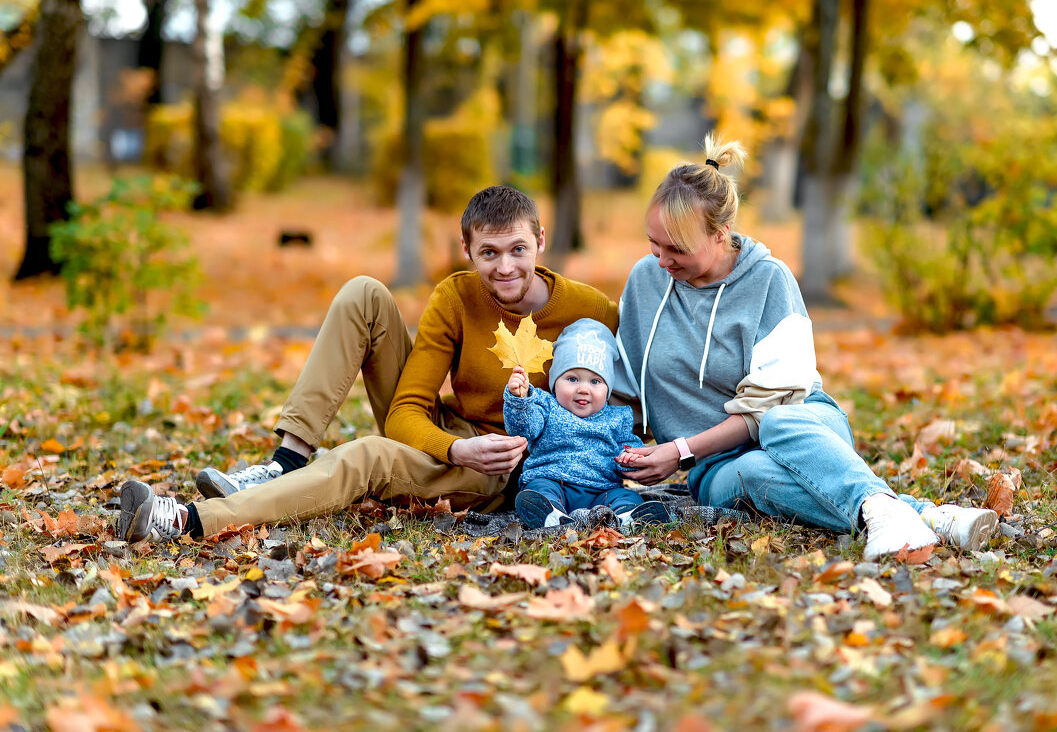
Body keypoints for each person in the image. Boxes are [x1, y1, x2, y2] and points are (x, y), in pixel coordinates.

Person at [118, 186, 619, 544]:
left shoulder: (590, 309)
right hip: (454, 439)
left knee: (364, 457)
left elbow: (633, 394)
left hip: (508, 471)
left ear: (541, 241)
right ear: (465, 249)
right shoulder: (457, 295)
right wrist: (456, 446)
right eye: (488, 252)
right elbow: (404, 413)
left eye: (518, 250)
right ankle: (285, 462)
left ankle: (186, 520)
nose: (504, 267)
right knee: (364, 293)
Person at [612, 135, 998, 562]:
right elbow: (626, 383)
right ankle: (924, 516)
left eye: (677, 249)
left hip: (805, 426)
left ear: (721, 234)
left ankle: (893, 515)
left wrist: (680, 449)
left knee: (778, 421)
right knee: (756, 472)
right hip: (718, 466)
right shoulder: (646, 281)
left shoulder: (770, 282)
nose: (661, 260)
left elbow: (769, 408)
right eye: (654, 243)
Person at [503, 319, 671, 529]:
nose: (583, 389)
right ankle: (550, 514)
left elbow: (628, 447)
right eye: (572, 379)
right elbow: (523, 428)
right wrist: (519, 400)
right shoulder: (545, 405)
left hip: (601, 491)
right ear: (555, 382)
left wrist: (631, 458)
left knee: (626, 496)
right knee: (538, 489)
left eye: (595, 381)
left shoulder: (617, 418)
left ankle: (627, 517)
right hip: (554, 482)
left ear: (607, 389)